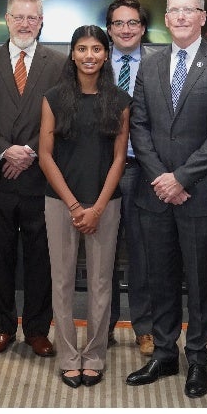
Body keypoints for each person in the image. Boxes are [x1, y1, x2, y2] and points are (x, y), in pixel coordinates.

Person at [126, 0, 207, 399]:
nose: (179, 17)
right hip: (154, 191)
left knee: (198, 280)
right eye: (173, 10)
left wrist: (182, 178)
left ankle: (197, 358)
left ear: (202, 17)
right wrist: (162, 177)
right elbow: (138, 125)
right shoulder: (150, 64)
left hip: (200, 193)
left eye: (188, 10)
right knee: (160, 278)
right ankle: (163, 352)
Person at [0, 0, 65, 359]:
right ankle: (2, 327)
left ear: (41, 22)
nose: (25, 24)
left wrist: (26, 152)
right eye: (18, 17)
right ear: (6, 20)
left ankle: (38, 331)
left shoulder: (59, 64)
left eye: (32, 18)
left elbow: (61, 114)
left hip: (41, 177)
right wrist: (3, 150)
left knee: (42, 258)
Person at [38, 24, 130, 387]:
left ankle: (93, 355)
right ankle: (67, 355)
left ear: (106, 54)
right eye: (82, 49)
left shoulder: (120, 100)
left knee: (101, 283)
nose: (89, 55)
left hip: (106, 204)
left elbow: (119, 159)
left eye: (96, 49)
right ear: (72, 54)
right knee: (60, 282)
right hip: (60, 202)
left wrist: (97, 207)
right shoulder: (54, 97)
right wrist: (76, 206)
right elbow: (45, 156)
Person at [103, 0, 158, 354]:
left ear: (143, 28)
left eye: (133, 23)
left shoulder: (160, 63)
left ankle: (145, 328)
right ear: (109, 29)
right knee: (101, 251)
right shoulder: (89, 59)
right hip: (101, 169)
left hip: (144, 168)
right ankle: (101, 326)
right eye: (119, 24)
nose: (126, 29)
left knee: (144, 251)